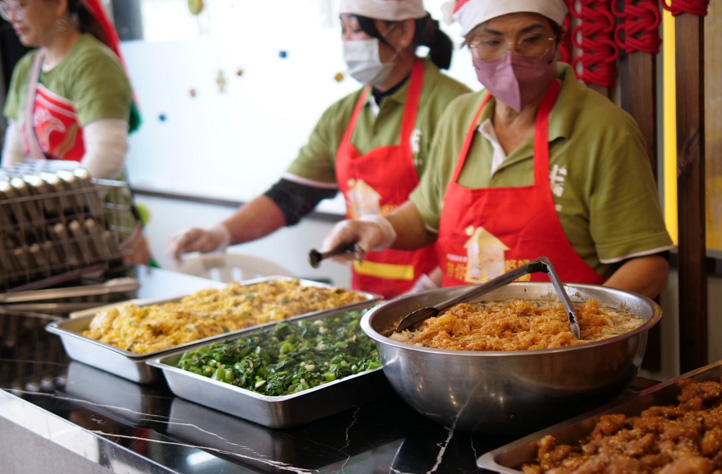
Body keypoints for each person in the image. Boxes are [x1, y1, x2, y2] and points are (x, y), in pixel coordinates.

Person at [320, 0, 674, 299]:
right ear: (470, 48)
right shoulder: (459, 116)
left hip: (563, 350)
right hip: (457, 344)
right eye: (491, 42)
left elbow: (647, 264)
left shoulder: (604, 130)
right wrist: (376, 228)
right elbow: (426, 216)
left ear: (557, 42)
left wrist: (579, 325)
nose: (511, 58)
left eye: (532, 39)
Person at [166, 0, 471, 298]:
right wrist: (220, 233)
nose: (347, 42)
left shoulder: (455, 109)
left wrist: (426, 293)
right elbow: (292, 195)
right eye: (343, 30)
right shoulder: (342, 115)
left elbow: (469, 224)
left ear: (403, 31)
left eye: (356, 30)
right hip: (367, 295)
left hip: (442, 301)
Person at [1, 0, 152, 265]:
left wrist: (51, 212)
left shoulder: (93, 62)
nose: (12, 18)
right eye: (5, 8)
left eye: (20, 6)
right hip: (50, 241)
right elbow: (14, 156)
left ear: (60, 4)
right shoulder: (28, 68)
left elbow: (106, 157)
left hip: (100, 238)